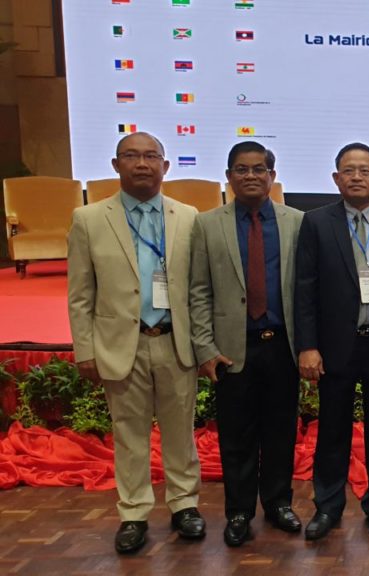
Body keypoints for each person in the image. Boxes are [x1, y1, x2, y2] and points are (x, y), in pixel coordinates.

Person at [67, 132, 205, 554]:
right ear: (116, 165)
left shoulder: (188, 217)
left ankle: (184, 505)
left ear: (165, 165)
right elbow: (80, 294)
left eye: (150, 156)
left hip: (175, 342)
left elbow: (200, 288)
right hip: (120, 343)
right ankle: (133, 513)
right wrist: (85, 350)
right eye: (131, 156)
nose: (142, 164)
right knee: (129, 435)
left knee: (181, 432)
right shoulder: (89, 219)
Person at [294, 142, 369, 541]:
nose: (357, 177)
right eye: (349, 170)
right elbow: (305, 288)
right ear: (336, 178)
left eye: (365, 170)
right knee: (332, 431)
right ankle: (327, 506)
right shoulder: (316, 221)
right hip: (335, 347)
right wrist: (308, 345)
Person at [189, 141, 304, 546]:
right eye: (242, 169)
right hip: (230, 349)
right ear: (228, 176)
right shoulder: (206, 224)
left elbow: (307, 290)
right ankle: (238, 512)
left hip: (282, 346)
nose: (251, 176)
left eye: (259, 169)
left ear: (272, 176)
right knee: (236, 436)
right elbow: (198, 290)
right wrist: (204, 347)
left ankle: (278, 503)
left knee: (280, 431)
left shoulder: (297, 222)